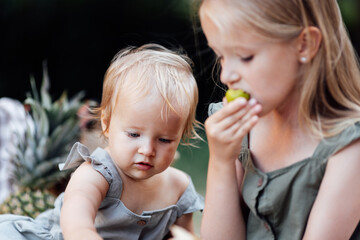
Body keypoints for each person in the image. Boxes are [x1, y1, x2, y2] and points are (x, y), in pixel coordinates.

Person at [0, 43, 204, 240]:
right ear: (106, 124)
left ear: (182, 136)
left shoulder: (180, 189)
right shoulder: (96, 173)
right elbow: (76, 225)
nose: (147, 149)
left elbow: (183, 235)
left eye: (164, 139)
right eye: (134, 134)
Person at [198, 0, 360, 239]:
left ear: (304, 45)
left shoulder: (349, 146)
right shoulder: (243, 129)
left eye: (245, 56)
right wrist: (222, 162)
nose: (226, 75)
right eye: (221, 56)